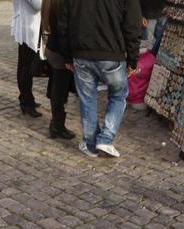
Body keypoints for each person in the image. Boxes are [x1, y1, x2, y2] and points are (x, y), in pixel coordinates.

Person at [59, 0, 141, 157]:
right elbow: (133, 26)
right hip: (111, 54)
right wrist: (132, 59)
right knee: (117, 95)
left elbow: (63, 23)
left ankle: (92, 143)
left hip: (83, 53)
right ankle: (105, 138)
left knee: (88, 99)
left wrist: (67, 55)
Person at [41, 0, 75, 139]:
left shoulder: (50, 2)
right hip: (60, 51)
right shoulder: (61, 3)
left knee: (57, 87)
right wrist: (68, 57)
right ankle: (57, 125)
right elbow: (64, 31)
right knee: (60, 91)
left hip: (53, 48)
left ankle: (56, 123)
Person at [11, 0, 43, 118]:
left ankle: (26, 98)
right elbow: (38, 5)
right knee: (26, 68)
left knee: (23, 66)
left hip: (26, 26)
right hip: (28, 28)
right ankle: (27, 102)